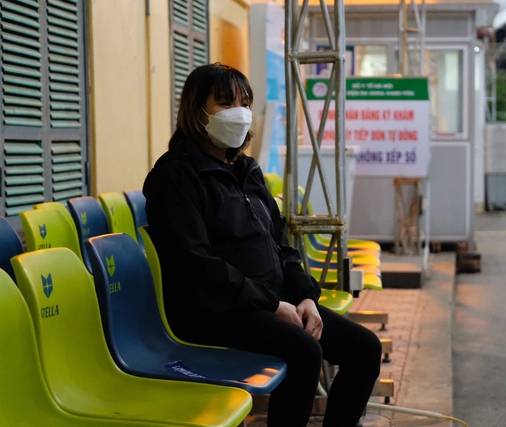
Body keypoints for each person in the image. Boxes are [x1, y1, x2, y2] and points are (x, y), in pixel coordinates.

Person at [143, 62, 381, 427]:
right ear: (197, 110)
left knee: (365, 349)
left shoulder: (247, 170)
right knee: (304, 351)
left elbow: (280, 243)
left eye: (245, 103)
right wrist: (271, 305)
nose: (239, 113)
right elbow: (194, 262)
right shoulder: (174, 176)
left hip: (272, 302)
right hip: (215, 310)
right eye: (225, 103)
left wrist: (305, 297)